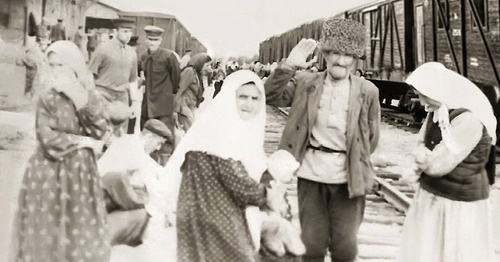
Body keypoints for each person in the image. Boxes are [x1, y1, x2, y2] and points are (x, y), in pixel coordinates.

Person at [264, 18, 381, 262]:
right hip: (311, 176)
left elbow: (371, 138)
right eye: (335, 53)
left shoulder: (368, 91)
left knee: (345, 248)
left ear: (355, 59)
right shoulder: (306, 83)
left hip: (349, 179)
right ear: (325, 55)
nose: (341, 60)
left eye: (348, 55)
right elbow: (269, 95)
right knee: (311, 246)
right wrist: (288, 66)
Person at [163, 70, 284, 261]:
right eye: (242, 97)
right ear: (230, 97)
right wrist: (268, 196)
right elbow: (237, 182)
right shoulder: (221, 132)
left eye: (255, 98)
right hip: (212, 218)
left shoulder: (237, 129)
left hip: (215, 213)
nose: (249, 103)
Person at [11, 41, 109, 262]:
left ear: (74, 66)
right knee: (47, 234)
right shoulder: (48, 97)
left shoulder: (89, 96)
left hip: (81, 176)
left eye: (60, 65)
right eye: (51, 65)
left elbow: (100, 130)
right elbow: (46, 137)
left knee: (78, 232)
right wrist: (83, 142)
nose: (55, 71)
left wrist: (81, 102)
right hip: (48, 173)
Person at [398, 62, 497, 262]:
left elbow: (438, 165)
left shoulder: (469, 119)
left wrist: (421, 159)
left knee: (455, 252)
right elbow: (420, 143)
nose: (422, 101)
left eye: (424, 95)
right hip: (435, 195)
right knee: (430, 251)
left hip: (460, 201)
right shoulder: (438, 111)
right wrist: (423, 156)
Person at [88, 18, 139, 133]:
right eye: (125, 31)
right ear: (115, 32)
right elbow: (90, 74)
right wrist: (93, 98)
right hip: (104, 95)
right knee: (102, 132)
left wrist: (134, 103)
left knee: (121, 135)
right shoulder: (103, 49)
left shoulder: (132, 53)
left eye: (130, 32)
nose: (128, 35)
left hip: (122, 98)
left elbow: (133, 80)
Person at [140, 25, 181, 165]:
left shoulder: (169, 57)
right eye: (150, 39)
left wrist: (169, 97)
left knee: (166, 139)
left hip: (163, 105)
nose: (152, 42)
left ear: (160, 40)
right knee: (147, 138)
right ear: (146, 40)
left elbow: (176, 80)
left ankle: (165, 166)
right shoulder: (144, 57)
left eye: (155, 40)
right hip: (147, 105)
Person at [174, 53, 211, 132]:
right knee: (189, 133)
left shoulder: (196, 73)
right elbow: (178, 90)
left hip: (190, 107)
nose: (208, 68)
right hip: (183, 107)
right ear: (200, 63)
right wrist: (175, 110)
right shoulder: (189, 71)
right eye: (207, 65)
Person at [17, 23, 50, 98]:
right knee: (31, 81)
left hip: (31, 65)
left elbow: (22, 58)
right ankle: (29, 93)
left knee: (30, 81)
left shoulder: (33, 45)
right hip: (32, 65)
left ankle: (28, 93)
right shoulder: (35, 46)